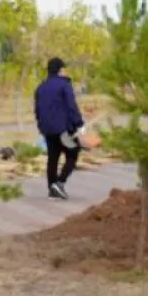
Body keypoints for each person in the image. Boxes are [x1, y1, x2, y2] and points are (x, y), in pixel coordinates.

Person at [34, 57, 86, 199]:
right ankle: (60, 182)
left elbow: (37, 110)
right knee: (73, 152)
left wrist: (41, 126)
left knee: (53, 158)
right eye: (63, 69)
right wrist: (79, 124)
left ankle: (52, 190)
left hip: (47, 130)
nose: (65, 71)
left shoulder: (41, 87)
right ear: (60, 70)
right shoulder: (64, 85)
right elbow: (71, 106)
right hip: (63, 130)